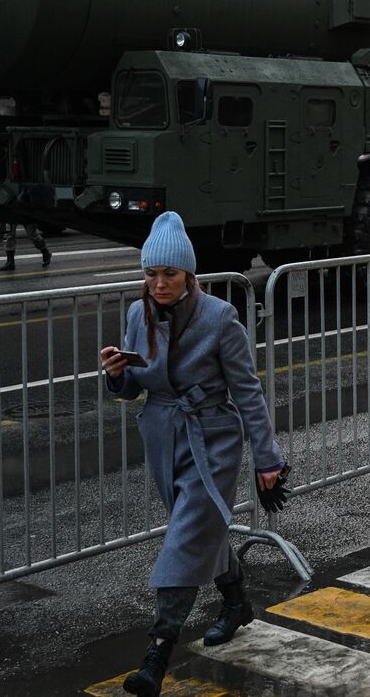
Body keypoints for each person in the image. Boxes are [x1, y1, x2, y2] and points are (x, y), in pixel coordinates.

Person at [100, 212, 289, 697]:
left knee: (184, 539)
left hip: (214, 441)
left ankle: (156, 655)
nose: (158, 283)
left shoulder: (220, 318)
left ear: (188, 273)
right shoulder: (135, 315)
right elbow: (131, 388)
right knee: (202, 528)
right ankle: (236, 601)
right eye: (150, 273)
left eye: (169, 273)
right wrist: (117, 374)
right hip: (163, 438)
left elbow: (248, 392)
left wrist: (268, 459)